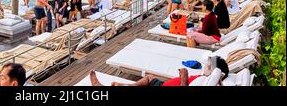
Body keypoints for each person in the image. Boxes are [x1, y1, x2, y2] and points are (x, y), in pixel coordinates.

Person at [90, 56, 229, 86]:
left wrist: (184, 76)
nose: (206, 64)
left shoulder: (205, 81)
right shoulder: (208, 79)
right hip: (167, 84)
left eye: (208, 64)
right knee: (150, 77)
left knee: (148, 79)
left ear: (213, 70)